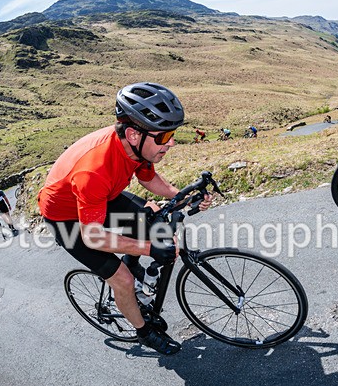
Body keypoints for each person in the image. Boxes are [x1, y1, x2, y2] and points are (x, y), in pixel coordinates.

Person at [38, 82, 213, 355]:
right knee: (123, 280)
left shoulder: (138, 146)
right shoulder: (94, 171)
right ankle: (143, 332)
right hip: (67, 219)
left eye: (173, 135)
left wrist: (182, 197)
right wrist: (148, 248)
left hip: (102, 198)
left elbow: (148, 177)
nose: (172, 143)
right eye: (164, 137)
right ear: (133, 134)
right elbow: (93, 236)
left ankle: (132, 263)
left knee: (154, 220)